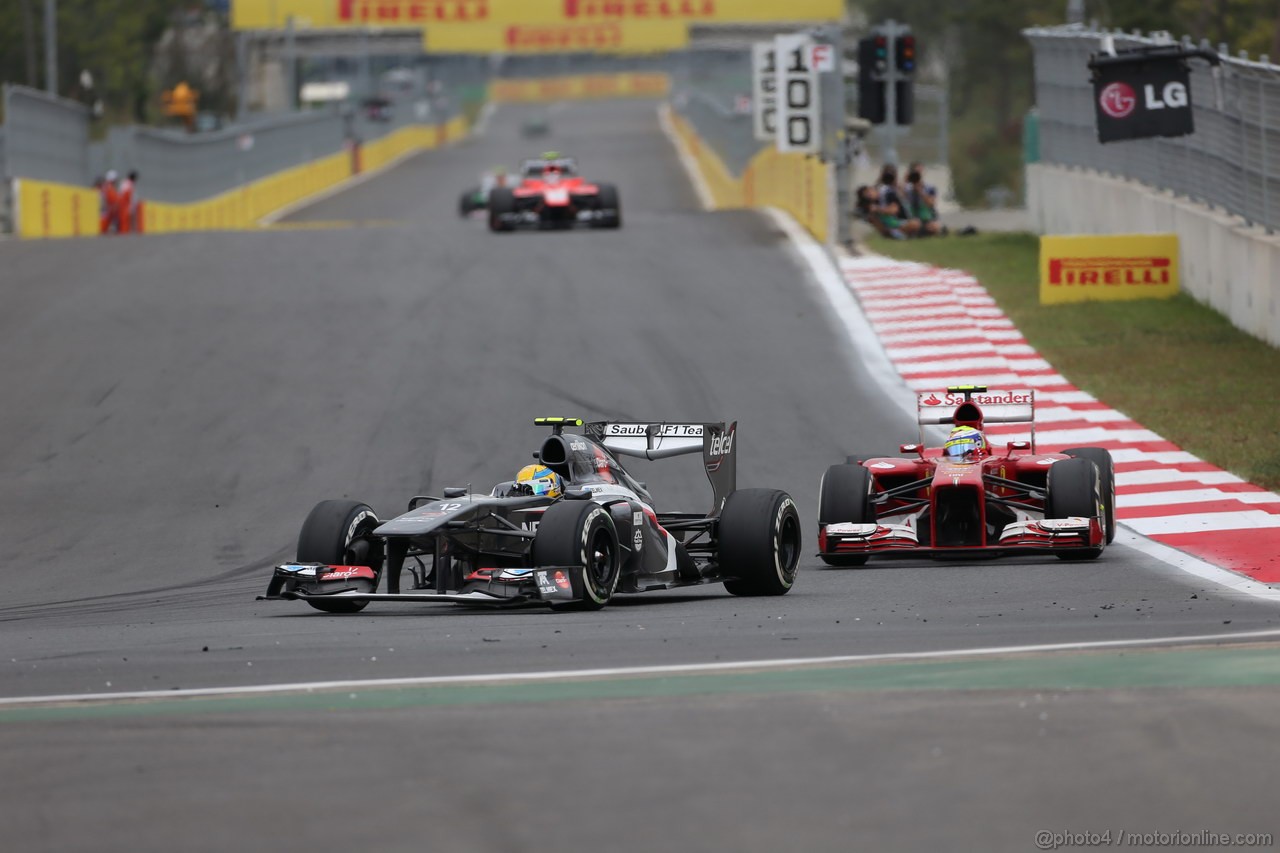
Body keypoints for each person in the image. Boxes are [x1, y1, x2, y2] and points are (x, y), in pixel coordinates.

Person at [903, 162, 944, 237]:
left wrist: (920, 192)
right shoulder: (907, 188)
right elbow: (900, 197)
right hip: (913, 218)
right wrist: (905, 180)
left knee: (935, 227)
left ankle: (921, 232)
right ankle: (919, 232)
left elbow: (931, 204)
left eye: (920, 172)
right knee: (913, 224)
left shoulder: (930, 188)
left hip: (927, 218)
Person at [99, 170, 121, 234]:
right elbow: (114, 203)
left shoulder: (104, 186)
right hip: (106, 215)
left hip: (103, 213)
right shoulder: (110, 188)